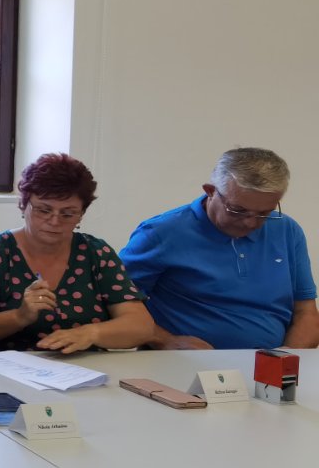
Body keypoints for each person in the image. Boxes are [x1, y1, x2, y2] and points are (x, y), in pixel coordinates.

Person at [0, 153, 155, 352]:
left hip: (83, 370)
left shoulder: (96, 253)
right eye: (43, 210)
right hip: (7, 370)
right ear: (23, 205)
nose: (54, 221)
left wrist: (90, 333)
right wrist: (19, 317)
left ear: (81, 214)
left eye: (68, 214)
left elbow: (141, 326)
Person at [121, 147, 318, 350]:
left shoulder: (286, 230)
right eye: (238, 210)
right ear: (210, 191)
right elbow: (116, 304)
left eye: (264, 213)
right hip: (184, 361)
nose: (251, 223)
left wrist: (283, 359)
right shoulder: (160, 233)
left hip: (271, 361)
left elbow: (306, 313)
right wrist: (165, 340)